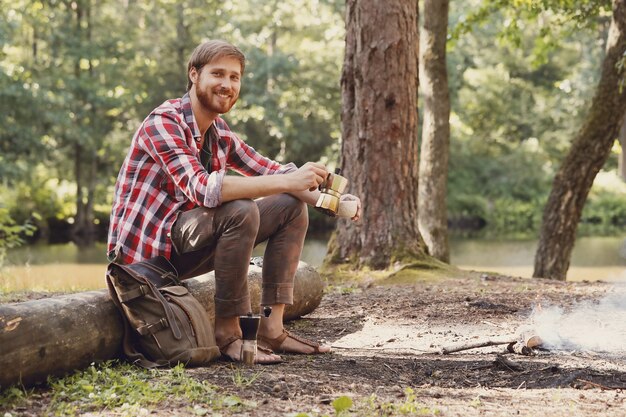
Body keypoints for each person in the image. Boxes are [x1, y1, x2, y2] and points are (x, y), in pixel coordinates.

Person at [107, 39, 361, 364]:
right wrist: (289, 180)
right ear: (194, 75)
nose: (227, 85)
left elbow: (274, 171)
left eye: (234, 77)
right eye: (218, 74)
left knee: (290, 206)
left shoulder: (219, 133)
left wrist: (335, 202)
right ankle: (227, 334)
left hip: (184, 250)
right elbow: (202, 189)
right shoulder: (164, 122)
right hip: (145, 265)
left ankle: (272, 329)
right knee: (240, 209)